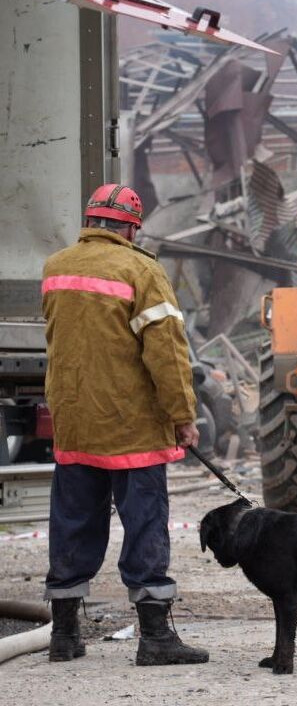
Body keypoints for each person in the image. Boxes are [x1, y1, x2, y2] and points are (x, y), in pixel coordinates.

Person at [41, 183, 209, 666]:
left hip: (73, 422)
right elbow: (168, 355)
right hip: (132, 427)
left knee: (72, 524)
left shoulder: (55, 268)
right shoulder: (142, 270)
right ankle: (155, 638)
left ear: (90, 221)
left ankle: (64, 637)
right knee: (145, 525)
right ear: (132, 227)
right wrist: (183, 416)